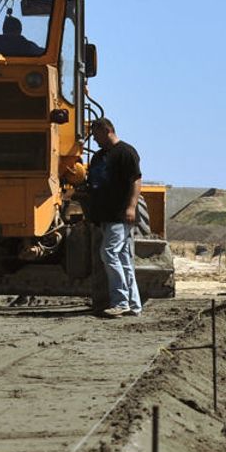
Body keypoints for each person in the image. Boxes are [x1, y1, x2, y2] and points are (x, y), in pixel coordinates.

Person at [83, 118, 142, 317]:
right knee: (123, 258)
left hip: (120, 214)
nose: (95, 139)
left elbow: (135, 180)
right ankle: (134, 304)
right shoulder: (99, 156)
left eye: (97, 134)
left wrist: (131, 207)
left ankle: (120, 301)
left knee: (108, 253)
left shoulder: (125, 153)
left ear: (107, 130)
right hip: (104, 215)